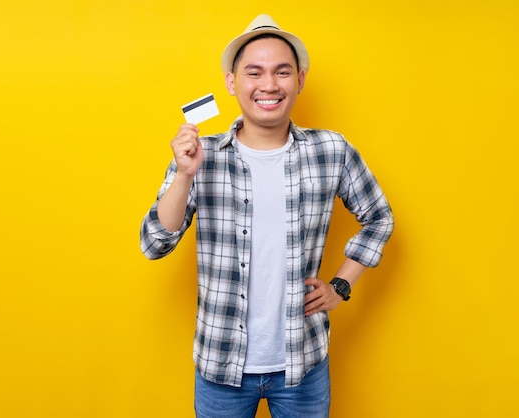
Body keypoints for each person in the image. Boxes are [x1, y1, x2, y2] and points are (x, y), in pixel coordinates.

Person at [140, 14, 394, 418]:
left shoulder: (331, 151)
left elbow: (379, 217)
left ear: (300, 80)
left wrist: (341, 286)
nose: (269, 85)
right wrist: (185, 176)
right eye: (254, 72)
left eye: (282, 72)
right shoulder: (199, 155)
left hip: (303, 365)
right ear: (231, 82)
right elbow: (155, 243)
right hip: (221, 365)